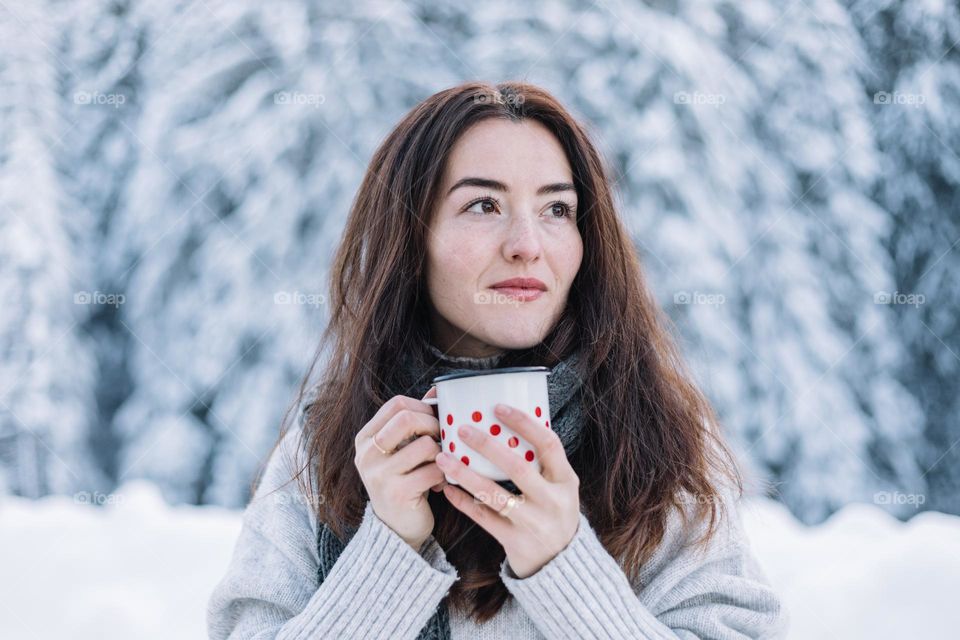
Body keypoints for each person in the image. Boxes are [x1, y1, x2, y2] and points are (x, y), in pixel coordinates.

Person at [207, 81, 789, 639]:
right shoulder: (323, 446)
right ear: (411, 235)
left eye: (557, 209)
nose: (527, 244)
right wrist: (387, 548)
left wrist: (564, 565)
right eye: (484, 204)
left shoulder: (658, 437)